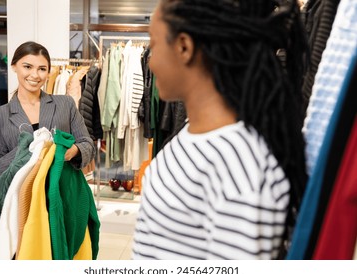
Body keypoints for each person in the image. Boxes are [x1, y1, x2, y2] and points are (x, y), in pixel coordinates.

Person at [132, 0, 308, 259]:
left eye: (154, 45)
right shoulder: (194, 135)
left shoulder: (241, 167)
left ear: (184, 47)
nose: (150, 62)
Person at [0, 41, 95, 180]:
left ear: (49, 73)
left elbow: (87, 145)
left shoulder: (65, 104)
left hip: (62, 193)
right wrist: (30, 149)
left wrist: (73, 151)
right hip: (22, 197)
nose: (35, 75)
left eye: (42, 69)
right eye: (27, 67)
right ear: (14, 66)